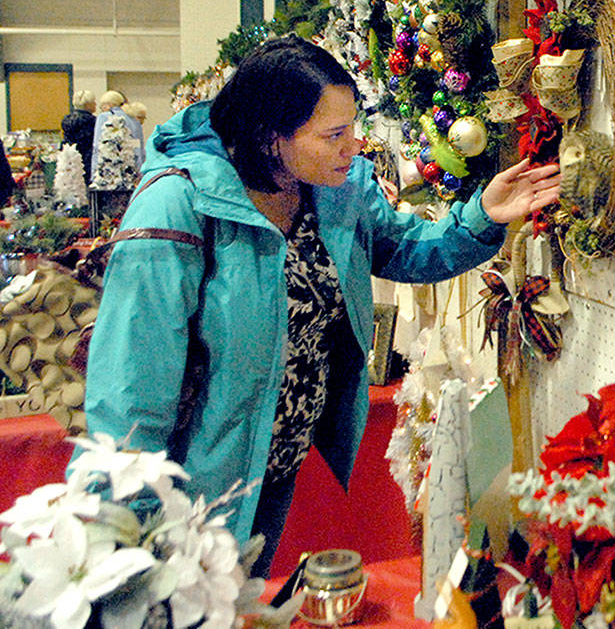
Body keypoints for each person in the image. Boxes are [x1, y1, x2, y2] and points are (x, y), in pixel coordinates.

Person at [82, 36, 561, 576]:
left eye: (352, 127)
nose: (352, 147)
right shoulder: (179, 204)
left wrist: (484, 216)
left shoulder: (330, 188)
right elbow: (129, 386)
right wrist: (122, 533)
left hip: (272, 469)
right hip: (189, 486)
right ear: (270, 137)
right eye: (333, 135)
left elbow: (402, 248)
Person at [90, 89, 146, 185]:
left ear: (109, 104)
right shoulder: (134, 119)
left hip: (109, 171)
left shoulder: (103, 117)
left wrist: (94, 172)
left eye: (102, 106)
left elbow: (97, 146)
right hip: (132, 170)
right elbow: (139, 148)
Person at [61, 90, 97, 185]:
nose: (95, 104)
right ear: (87, 105)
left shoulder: (66, 120)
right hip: (88, 159)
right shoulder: (93, 122)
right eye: (93, 102)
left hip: (70, 158)